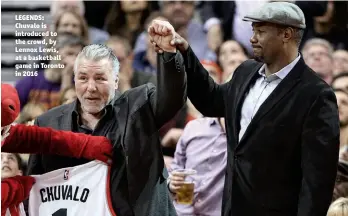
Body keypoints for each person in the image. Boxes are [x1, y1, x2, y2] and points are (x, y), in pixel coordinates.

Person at [149, 1, 340, 216]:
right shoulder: (246, 71)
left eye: (260, 31)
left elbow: (318, 180)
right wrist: (184, 51)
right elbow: (211, 101)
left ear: (286, 34)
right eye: (253, 30)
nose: (252, 38)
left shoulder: (316, 95)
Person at [26, 43, 186, 216]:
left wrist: (169, 55)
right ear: (74, 80)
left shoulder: (140, 106)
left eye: (100, 78)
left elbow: (173, 98)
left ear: (116, 81)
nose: (91, 87)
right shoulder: (47, 123)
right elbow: (33, 189)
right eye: (83, 78)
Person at [1, 83, 113, 216]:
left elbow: (45, 139)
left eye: (4, 129)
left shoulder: (6, 130)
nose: (4, 132)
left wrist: (87, 145)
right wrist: (13, 188)